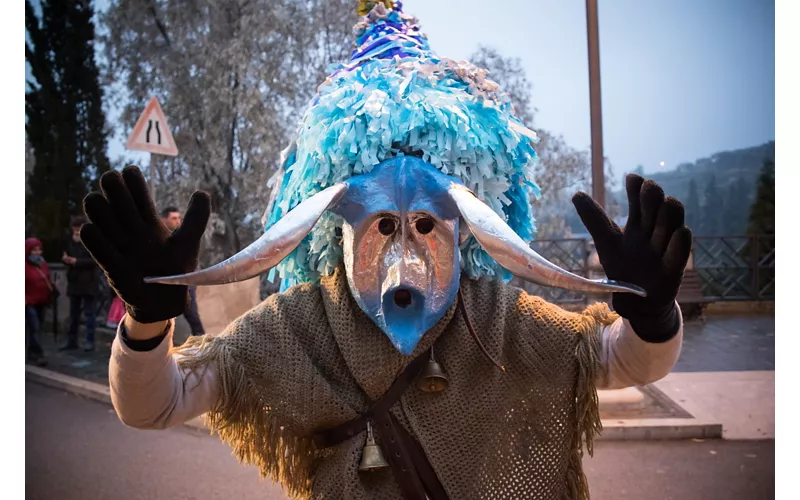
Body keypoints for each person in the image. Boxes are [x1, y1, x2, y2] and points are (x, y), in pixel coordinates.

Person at [80, 3, 692, 499]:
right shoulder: (295, 328)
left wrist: (651, 315)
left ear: (463, 226)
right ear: (337, 226)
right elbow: (154, 405)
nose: (406, 263)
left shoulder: (501, 321)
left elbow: (623, 362)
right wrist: (146, 321)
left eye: (425, 225)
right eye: (380, 227)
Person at [161, 206, 206, 337]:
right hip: (165, 283)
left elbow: (192, 258)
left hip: (185, 281)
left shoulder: (184, 236)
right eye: (173, 218)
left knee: (193, 316)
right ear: (164, 220)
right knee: (162, 318)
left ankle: (202, 344)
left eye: (179, 218)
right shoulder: (159, 236)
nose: (177, 221)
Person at [61, 215, 101, 351]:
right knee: (74, 314)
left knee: (90, 314)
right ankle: (71, 341)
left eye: (79, 229)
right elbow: (66, 255)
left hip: (89, 282)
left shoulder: (92, 242)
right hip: (75, 282)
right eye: (75, 230)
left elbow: (95, 261)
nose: (76, 232)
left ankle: (89, 341)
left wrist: (76, 262)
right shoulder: (70, 242)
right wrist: (66, 259)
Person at [25, 237, 52, 366]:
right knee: (34, 326)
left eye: (39, 250)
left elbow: (47, 278)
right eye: (34, 250)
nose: (37, 252)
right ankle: (36, 353)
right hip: (28, 301)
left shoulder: (43, 263)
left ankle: (31, 351)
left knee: (37, 327)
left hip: (42, 301)